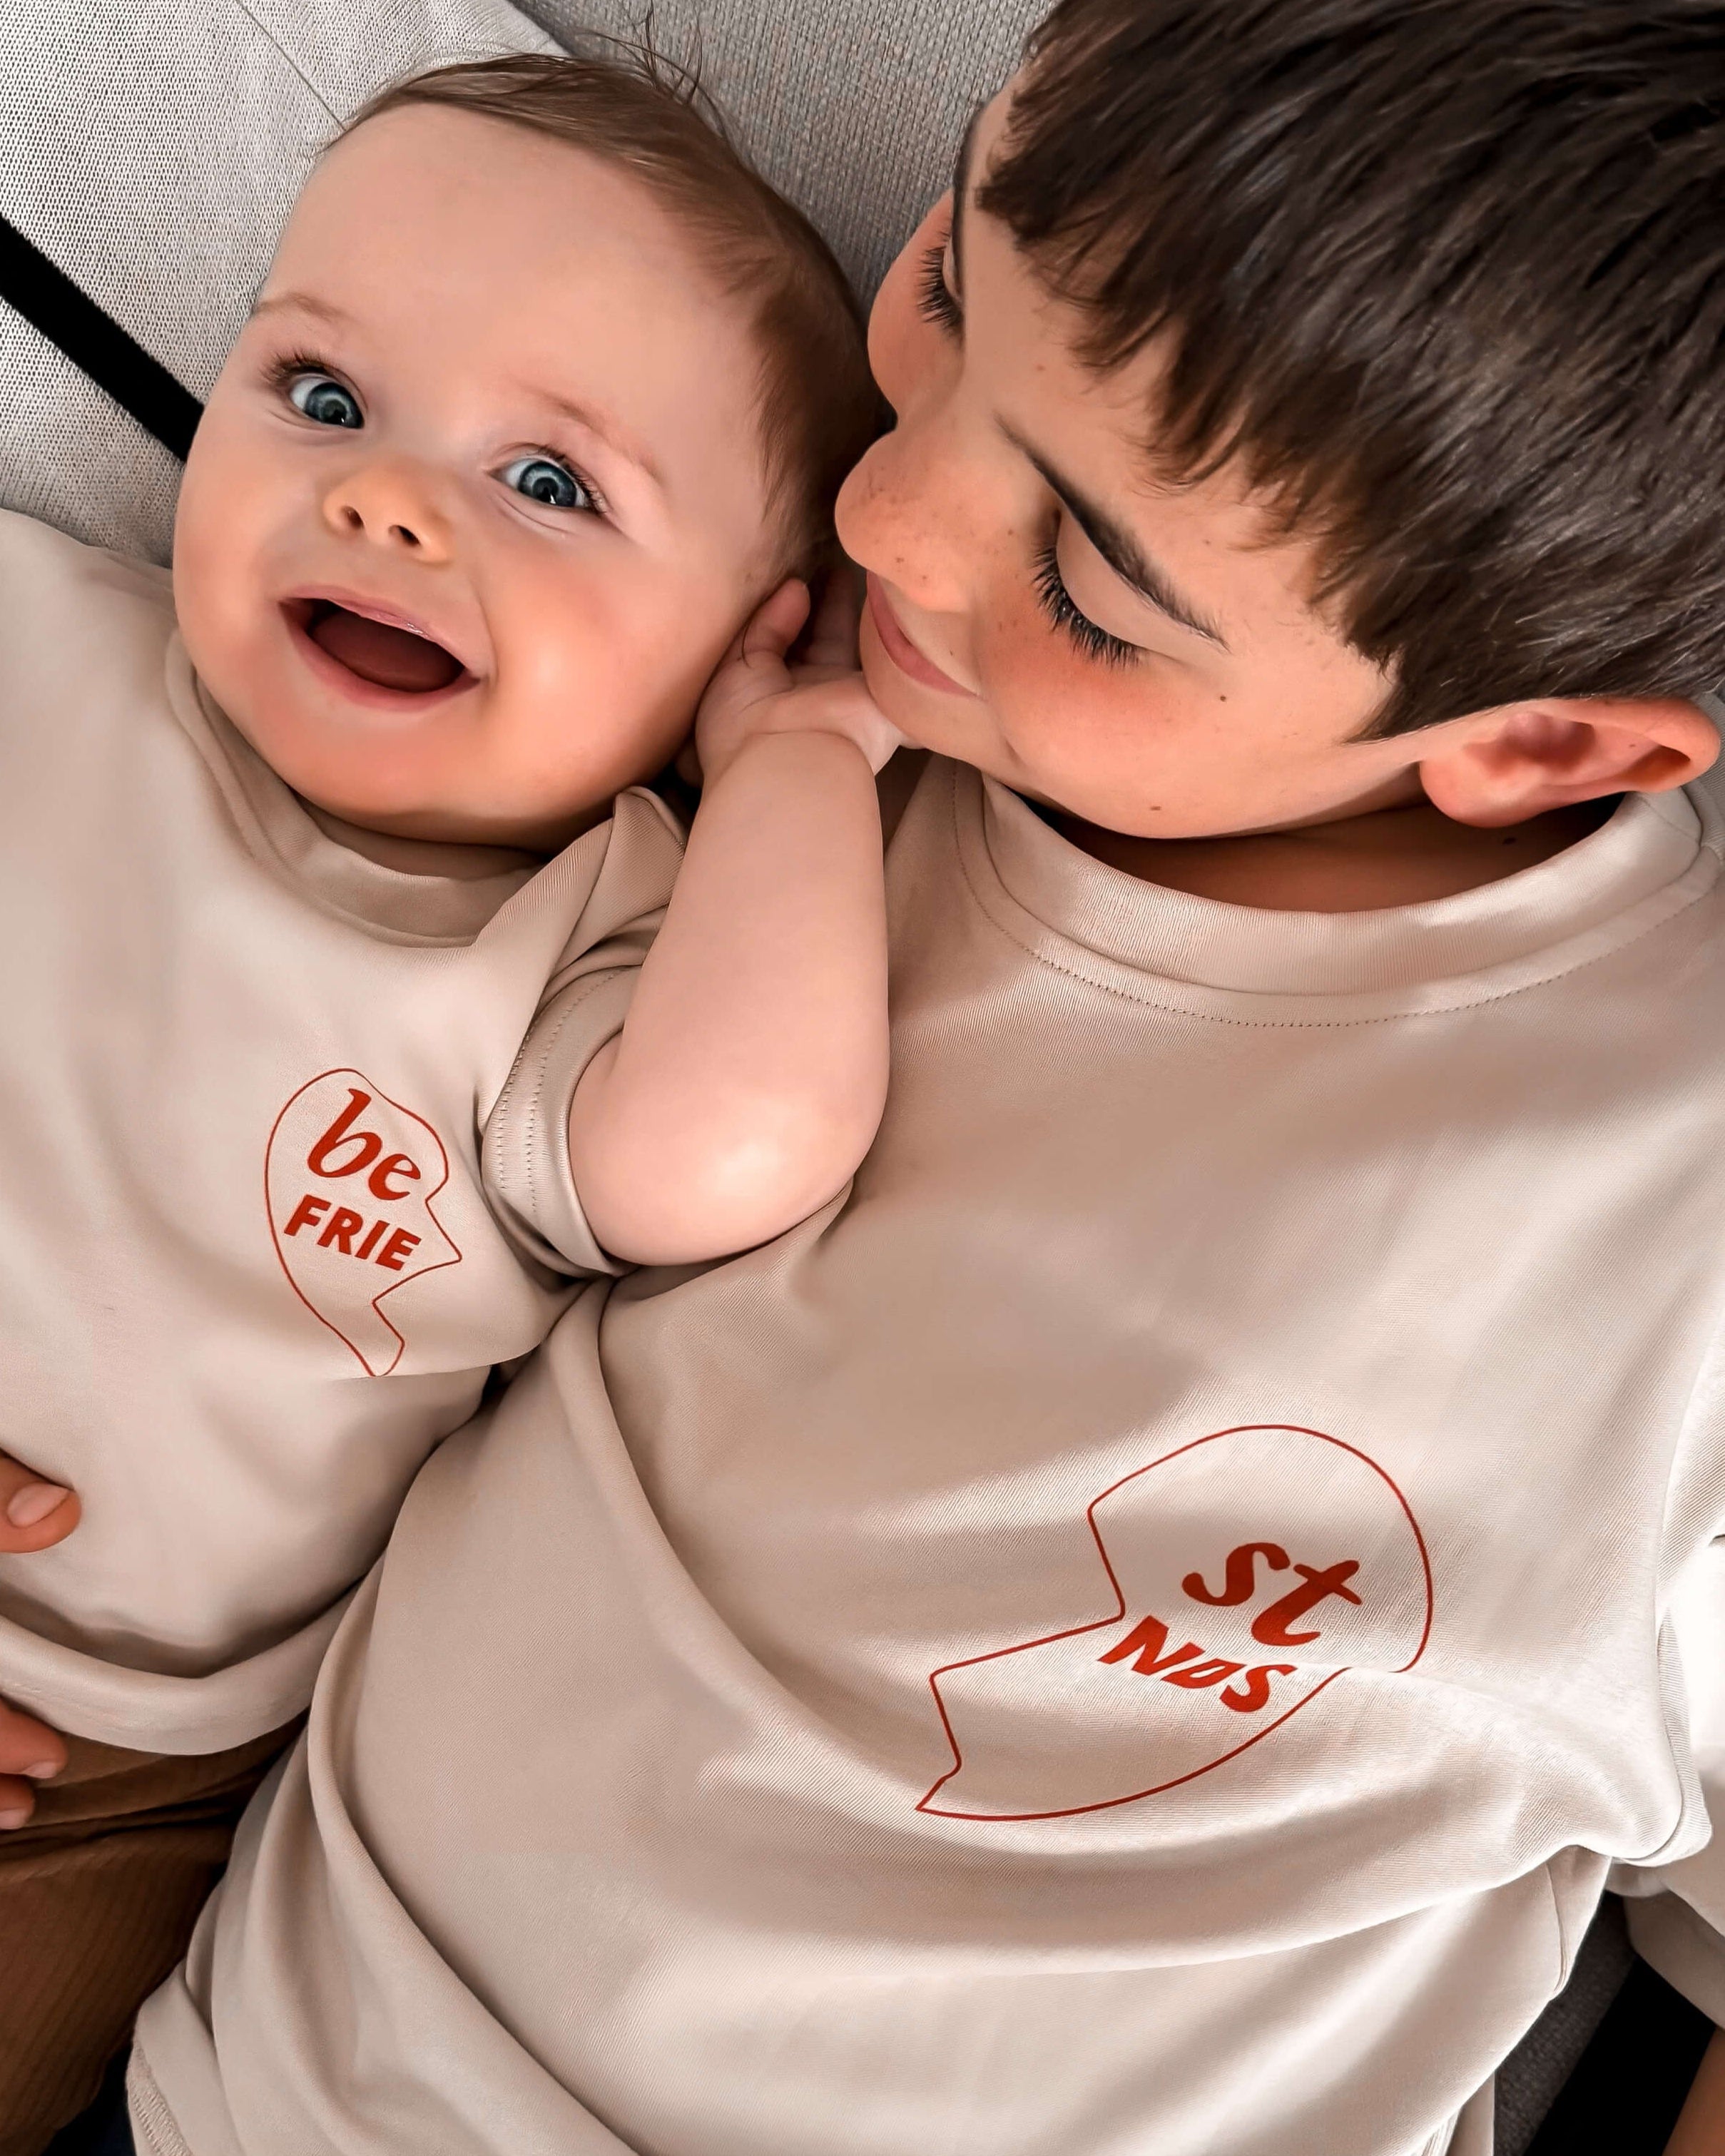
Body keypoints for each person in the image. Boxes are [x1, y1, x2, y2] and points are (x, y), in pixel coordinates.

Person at [41, 0, 1725, 2149]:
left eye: (1096, 589)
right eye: (949, 283)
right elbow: (190, 1040)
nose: (884, 511)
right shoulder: (739, 676)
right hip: (265, 2082)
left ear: (1538, 749)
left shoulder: (1669, 1205)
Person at [0, 51, 892, 2156]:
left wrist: (791, 779)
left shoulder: (589, 951)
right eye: (320, 397)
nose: (387, 501)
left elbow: (723, 1156)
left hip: (114, 1760)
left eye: (552, 484)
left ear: (735, 644)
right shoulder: (35, 652)